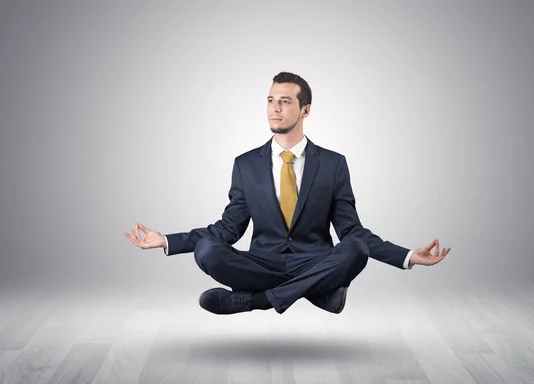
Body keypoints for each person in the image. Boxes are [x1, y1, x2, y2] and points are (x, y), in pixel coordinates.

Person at [124, 71, 451, 315]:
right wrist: (167, 240)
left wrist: (407, 256)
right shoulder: (245, 164)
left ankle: (257, 301)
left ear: (305, 110)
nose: (274, 108)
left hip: (315, 260)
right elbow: (228, 229)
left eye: (285, 101)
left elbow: (352, 231)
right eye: (270, 100)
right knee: (208, 249)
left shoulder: (334, 164)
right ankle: (322, 294)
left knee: (356, 248)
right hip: (262, 263)